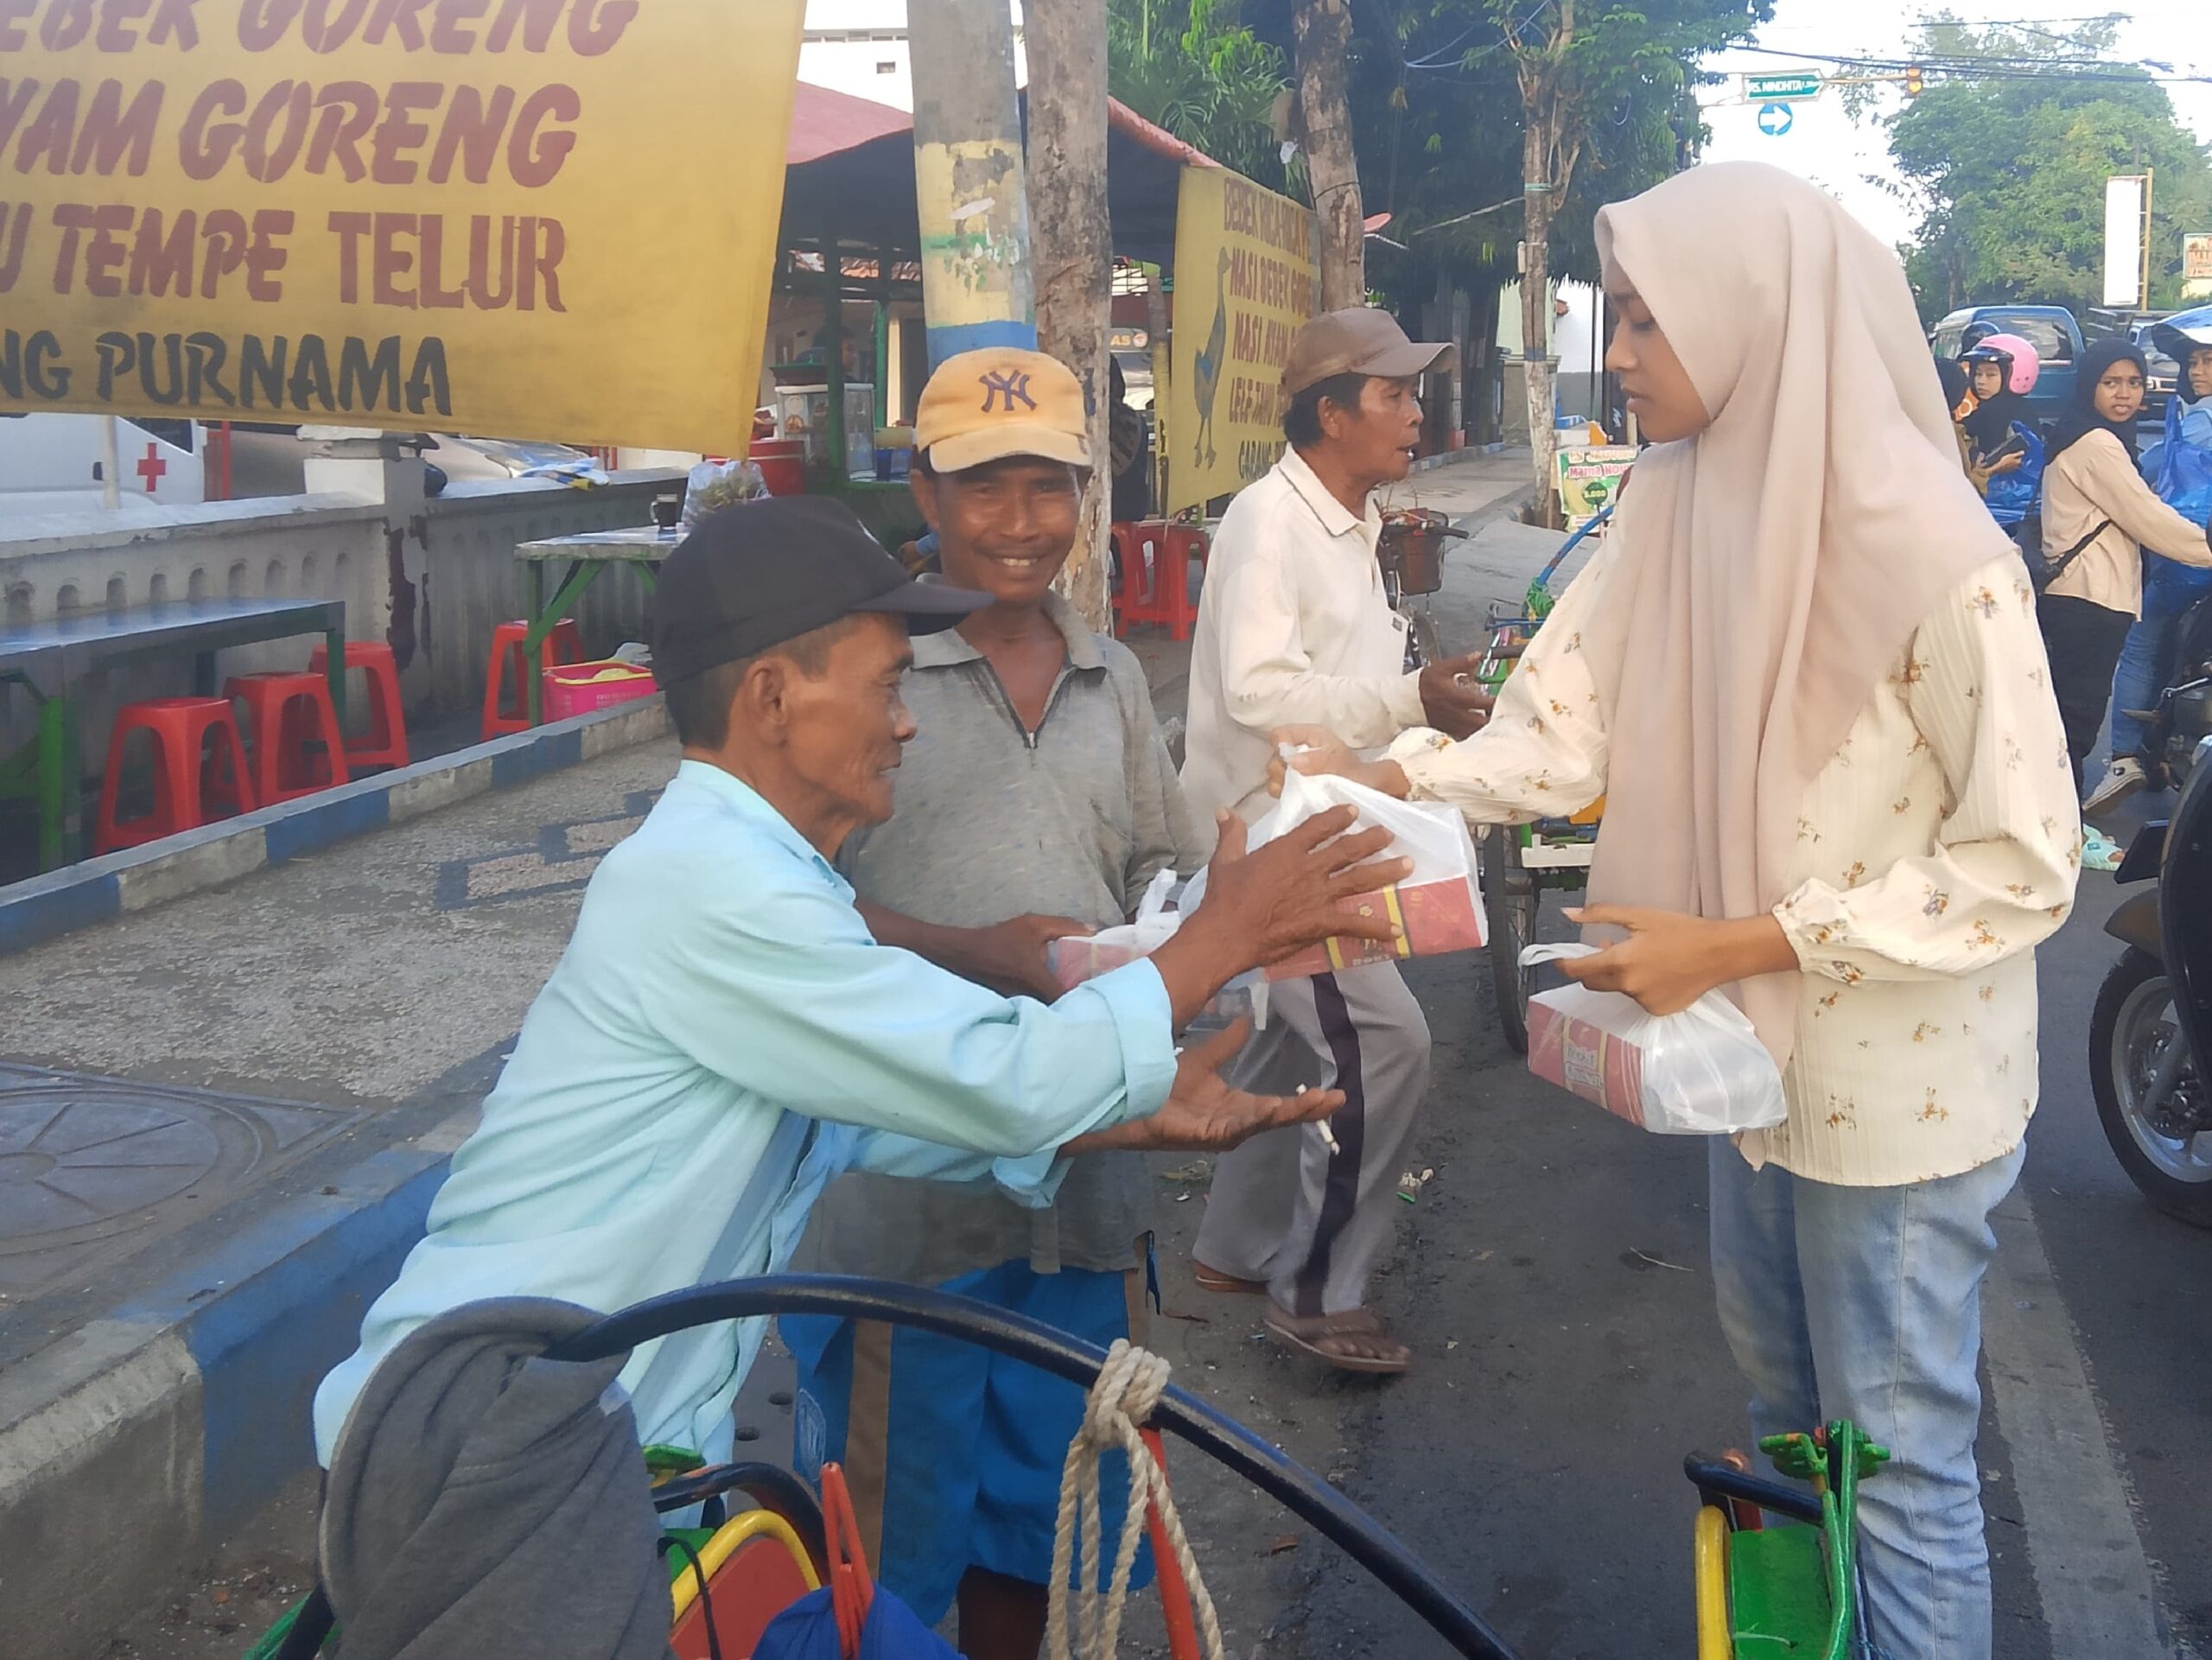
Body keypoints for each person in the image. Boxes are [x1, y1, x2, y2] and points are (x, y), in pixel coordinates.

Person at [1272, 162, 2080, 1660]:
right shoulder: (1670, 502)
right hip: (1748, 1065)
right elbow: (1567, 726)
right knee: (1788, 1426)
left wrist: (1744, 942)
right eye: (1616, 318)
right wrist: (1393, 769)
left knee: (1893, 1463)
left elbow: (2027, 860)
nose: (1619, 353)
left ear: (1756, 316)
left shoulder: (1945, 567)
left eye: (1646, 319)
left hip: (1894, 1100)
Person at [309, 494, 1411, 1476]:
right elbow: (998, 1076)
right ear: (773, 697)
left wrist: (1110, 1119)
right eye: (885, 685)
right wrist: (1224, 934)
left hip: (581, 1434)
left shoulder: (765, 873)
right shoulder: (713, 884)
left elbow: (855, 1119)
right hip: (481, 1450)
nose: (904, 719)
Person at [781, 347, 1205, 1659]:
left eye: (1048, 487)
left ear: (1088, 490)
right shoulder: (860, 669)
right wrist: (986, 952)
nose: (1018, 523)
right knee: (895, 1560)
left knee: (1056, 1525)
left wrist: (1182, 920)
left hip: (1084, 1190)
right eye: (982, 487)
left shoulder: (1113, 675)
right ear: (923, 486)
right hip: (913, 1207)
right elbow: (785, 912)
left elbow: (1154, 858)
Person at [1177, 307, 1492, 1376]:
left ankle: (1230, 1249)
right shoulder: (1271, 522)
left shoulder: (1346, 520)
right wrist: (1405, 695)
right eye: (1393, 395)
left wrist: (1413, 708)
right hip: (1271, 845)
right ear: (1328, 412)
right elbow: (1262, 691)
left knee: (1289, 1039)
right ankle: (1317, 1289)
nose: (1415, 412)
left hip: (1316, 830)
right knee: (1384, 1045)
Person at [2032, 338, 2212, 805]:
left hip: (2083, 595)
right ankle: (2065, 829)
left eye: (2133, 382)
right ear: (2089, 385)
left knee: (2065, 718)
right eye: (2110, 382)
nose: (2124, 393)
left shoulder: (2090, 436)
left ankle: (2061, 825)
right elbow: (2146, 515)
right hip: (2088, 598)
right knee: (2074, 723)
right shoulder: (2096, 445)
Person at [2089, 330, 2212, 813]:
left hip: (2187, 558)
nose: (2199, 372)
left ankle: (2123, 758)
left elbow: (2156, 468)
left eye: (2208, 362)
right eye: (2195, 363)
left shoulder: (2199, 417)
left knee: (2142, 644)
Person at [1957, 334, 2036, 478]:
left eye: (1991, 375)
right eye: (1978, 374)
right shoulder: (2027, 409)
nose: (1980, 381)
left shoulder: (1991, 412)